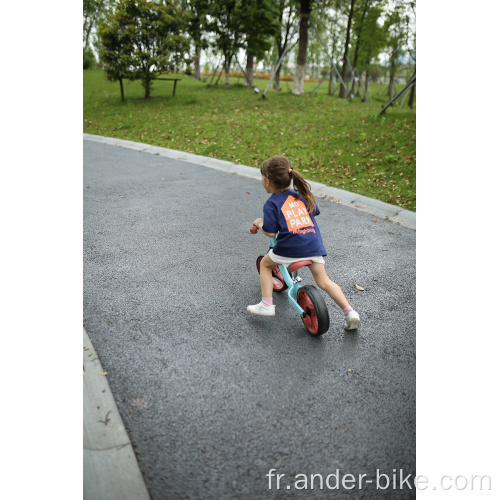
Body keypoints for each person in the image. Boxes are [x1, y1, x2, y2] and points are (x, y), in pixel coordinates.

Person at [247, 155, 360, 331]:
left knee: (266, 265)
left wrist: (259, 223)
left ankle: (266, 304)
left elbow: (270, 231)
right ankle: (350, 312)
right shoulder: (303, 195)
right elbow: (314, 212)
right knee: (324, 281)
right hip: (313, 245)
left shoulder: (272, 203)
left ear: (267, 181)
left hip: (289, 248)